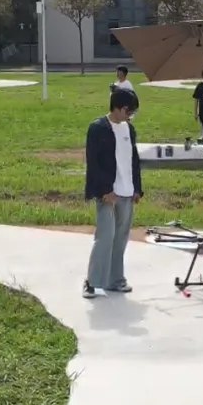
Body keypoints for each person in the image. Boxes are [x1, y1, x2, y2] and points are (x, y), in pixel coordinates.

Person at [82, 88, 143, 299]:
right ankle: (92, 282)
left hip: (127, 191)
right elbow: (94, 163)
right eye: (128, 111)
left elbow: (134, 160)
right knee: (105, 237)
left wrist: (137, 188)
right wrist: (105, 190)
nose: (130, 115)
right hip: (108, 193)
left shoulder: (129, 129)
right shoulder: (98, 128)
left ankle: (115, 280)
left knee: (120, 239)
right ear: (118, 108)